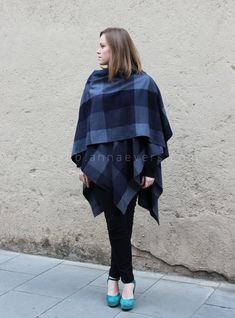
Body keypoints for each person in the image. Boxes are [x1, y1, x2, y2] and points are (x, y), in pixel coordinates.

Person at [71, 27, 173, 311]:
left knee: (121, 225)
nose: (98, 50)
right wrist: (83, 164)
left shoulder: (144, 85)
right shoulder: (94, 82)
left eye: (102, 45)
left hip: (131, 165)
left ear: (116, 48)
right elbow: (85, 127)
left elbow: (154, 130)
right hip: (100, 165)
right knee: (116, 226)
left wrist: (150, 167)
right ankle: (124, 278)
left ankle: (116, 277)